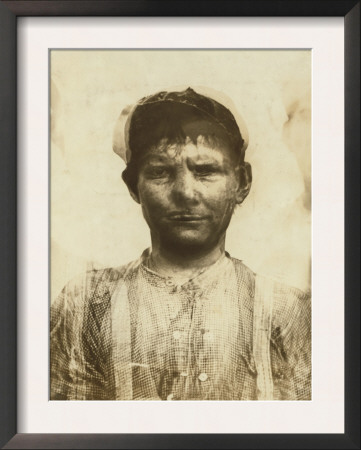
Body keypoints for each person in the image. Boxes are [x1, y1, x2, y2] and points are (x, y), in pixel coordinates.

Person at [50, 87, 311, 401]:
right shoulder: (86, 305)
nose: (186, 193)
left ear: (241, 183)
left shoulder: (287, 312)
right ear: (133, 186)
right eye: (160, 172)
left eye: (206, 171)